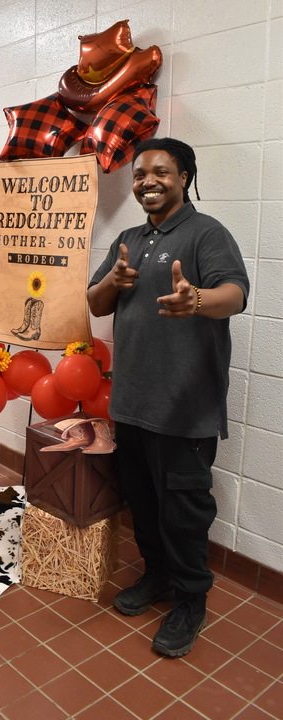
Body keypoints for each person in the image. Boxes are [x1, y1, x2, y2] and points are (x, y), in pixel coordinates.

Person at [87, 137, 249, 658]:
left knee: (183, 511)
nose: (147, 181)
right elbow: (94, 302)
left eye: (161, 172)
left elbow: (237, 295)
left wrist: (197, 298)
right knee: (143, 502)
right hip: (131, 404)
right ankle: (155, 576)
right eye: (139, 174)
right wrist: (113, 278)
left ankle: (189, 600)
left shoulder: (206, 234)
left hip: (186, 409)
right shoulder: (130, 237)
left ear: (185, 178)